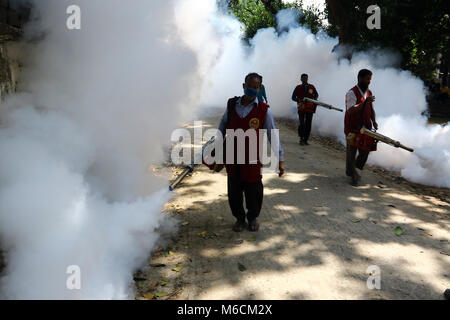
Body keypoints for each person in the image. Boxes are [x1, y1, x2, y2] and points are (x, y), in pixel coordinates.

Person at [216, 73, 285, 232]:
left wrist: (280, 159)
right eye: (250, 86)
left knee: (254, 189)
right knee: (234, 190)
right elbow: (222, 127)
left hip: (252, 158)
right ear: (243, 86)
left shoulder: (263, 110)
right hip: (232, 156)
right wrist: (218, 151)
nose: (253, 90)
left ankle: (252, 217)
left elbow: (272, 135)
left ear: (260, 88)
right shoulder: (232, 105)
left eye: (256, 87)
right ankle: (239, 218)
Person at [344, 69, 378, 186]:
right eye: (367, 79)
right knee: (351, 153)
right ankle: (352, 174)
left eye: (370, 79)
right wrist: (365, 102)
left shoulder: (368, 92)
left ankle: (355, 171)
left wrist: (374, 121)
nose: (369, 82)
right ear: (360, 78)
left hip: (366, 128)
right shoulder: (351, 93)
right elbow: (351, 110)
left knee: (365, 151)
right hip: (352, 128)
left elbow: (371, 108)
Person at [291, 74, 319, 145]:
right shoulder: (298, 87)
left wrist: (314, 100)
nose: (304, 80)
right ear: (301, 79)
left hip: (310, 108)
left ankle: (306, 139)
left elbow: (316, 95)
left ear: (307, 79)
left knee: (308, 124)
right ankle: (301, 138)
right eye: (303, 78)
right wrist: (298, 100)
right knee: (302, 123)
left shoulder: (312, 87)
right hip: (301, 107)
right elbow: (293, 97)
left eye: (306, 78)